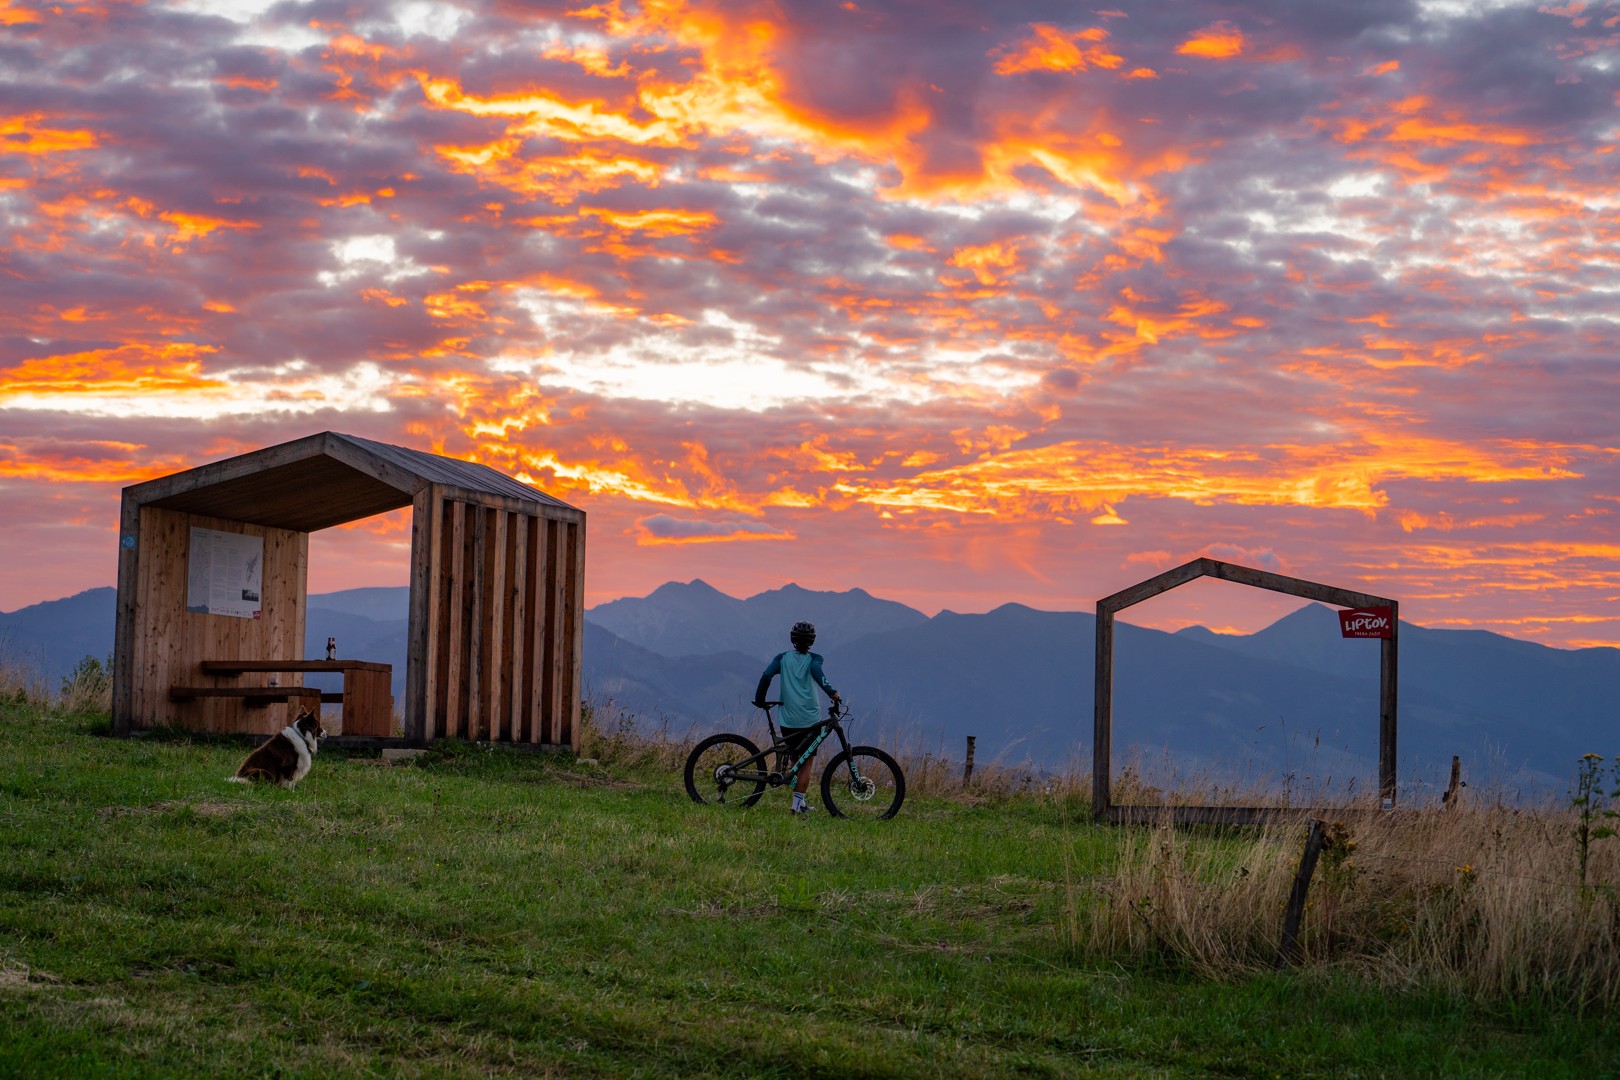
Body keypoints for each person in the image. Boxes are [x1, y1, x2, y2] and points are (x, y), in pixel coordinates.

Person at [754, 620, 840, 814]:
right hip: (810, 719)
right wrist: (832, 692)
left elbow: (766, 675)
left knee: (795, 760)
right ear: (812, 641)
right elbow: (817, 672)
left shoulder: (782, 658)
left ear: (792, 638)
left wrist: (760, 699)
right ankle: (796, 806)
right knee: (806, 761)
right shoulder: (815, 658)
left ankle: (800, 803)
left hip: (788, 719)